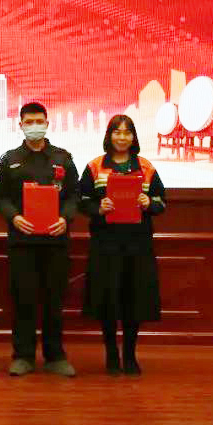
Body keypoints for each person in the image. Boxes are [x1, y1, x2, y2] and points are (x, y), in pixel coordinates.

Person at [0, 101, 79, 377]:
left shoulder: (63, 158)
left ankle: (55, 356)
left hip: (55, 241)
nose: (34, 126)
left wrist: (65, 218)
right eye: (29, 122)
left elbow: (74, 195)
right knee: (23, 299)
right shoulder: (9, 159)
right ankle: (23, 356)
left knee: (54, 300)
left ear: (47, 123)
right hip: (22, 242)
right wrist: (14, 217)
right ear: (20, 125)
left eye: (39, 121)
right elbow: (0, 196)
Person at [79, 114, 167, 376]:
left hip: (138, 245)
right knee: (108, 300)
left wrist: (148, 203)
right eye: (117, 132)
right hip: (105, 245)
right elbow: (81, 201)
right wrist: (98, 207)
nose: (122, 137)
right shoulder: (95, 167)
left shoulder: (146, 167)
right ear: (109, 136)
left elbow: (162, 201)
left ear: (133, 137)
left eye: (127, 132)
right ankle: (111, 354)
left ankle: (130, 355)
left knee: (133, 300)